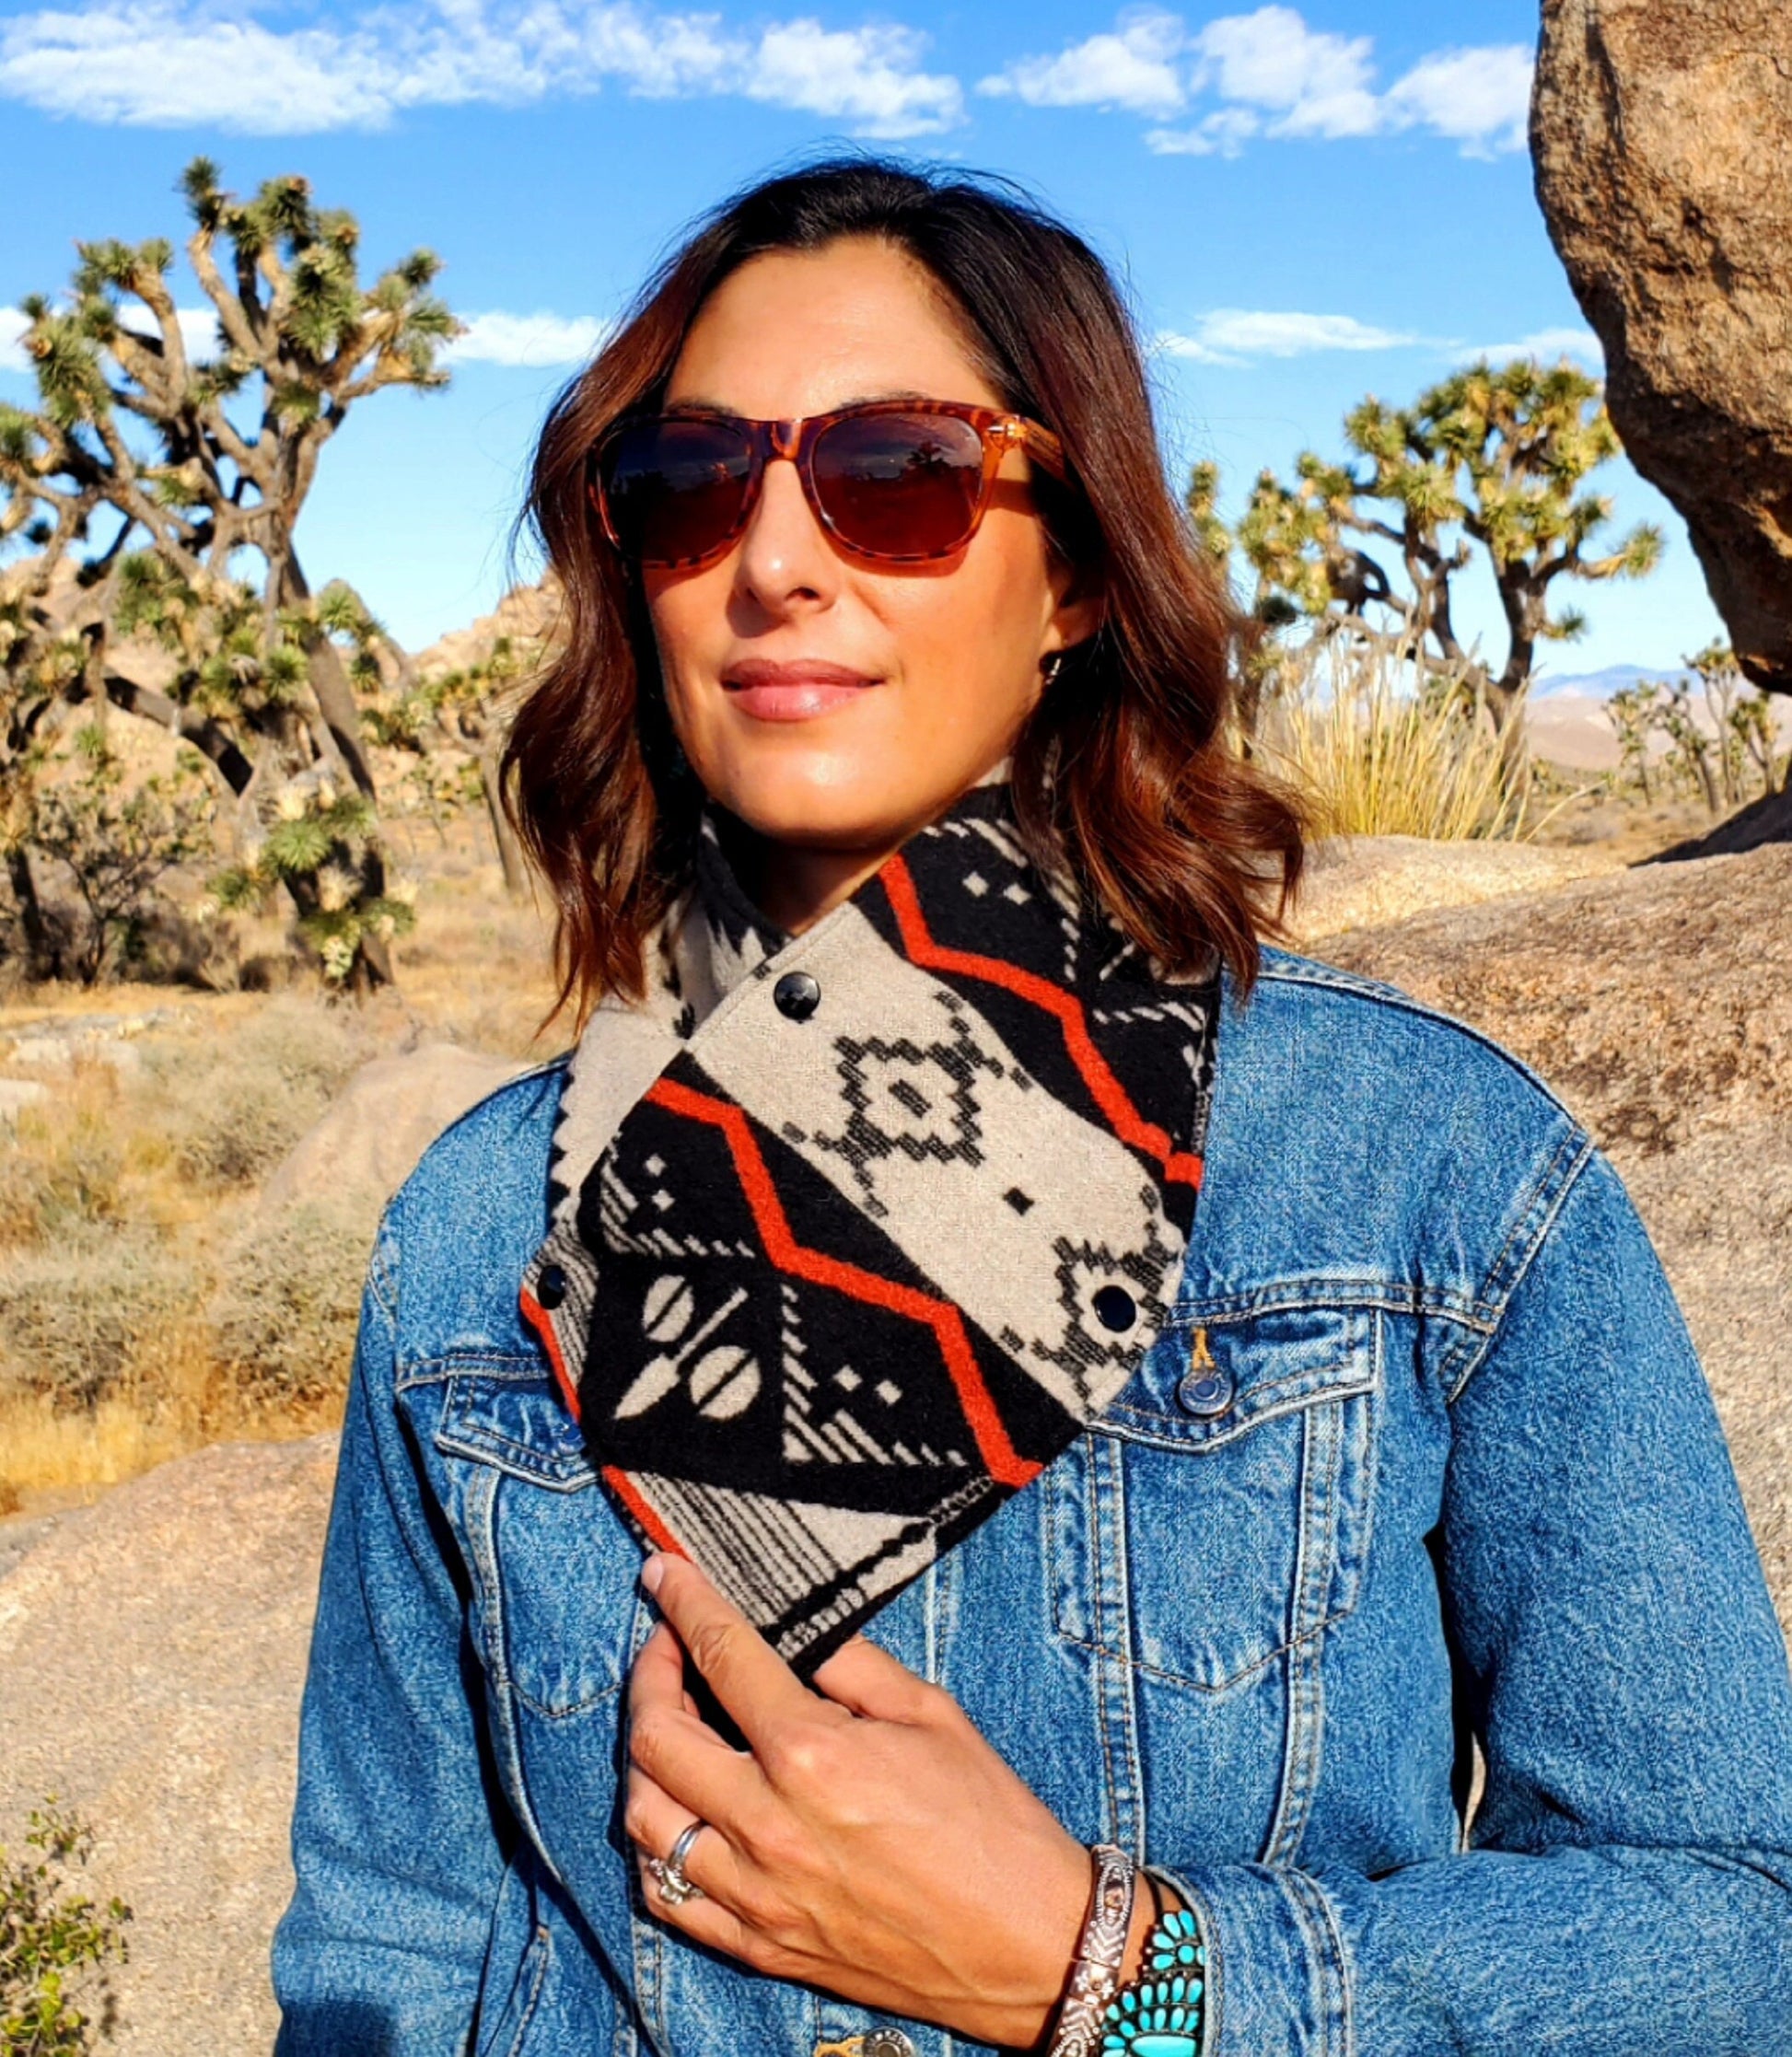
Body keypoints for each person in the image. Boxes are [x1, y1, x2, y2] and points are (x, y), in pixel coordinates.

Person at [273, 159, 1792, 2057]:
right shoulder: (478, 1235)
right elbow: (396, 1960)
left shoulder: (1419, 1180)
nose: (773, 560)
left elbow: (1730, 1935)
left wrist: (1119, 1975)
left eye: (893, 474)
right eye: (686, 484)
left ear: (1071, 570)